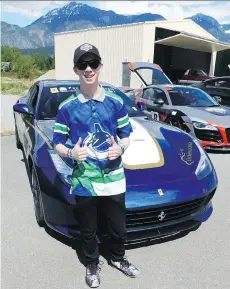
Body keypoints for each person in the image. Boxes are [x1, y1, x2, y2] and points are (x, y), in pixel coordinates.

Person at [53, 43, 140, 288]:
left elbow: (126, 134)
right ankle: (92, 263)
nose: (88, 69)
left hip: (113, 176)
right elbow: (57, 142)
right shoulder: (66, 107)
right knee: (88, 229)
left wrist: (120, 148)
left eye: (93, 63)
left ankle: (118, 258)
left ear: (100, 66)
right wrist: (71, 152)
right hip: (84, 179)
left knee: (118, 227)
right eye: (83, 64)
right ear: (76, 70)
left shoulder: (115, 102)